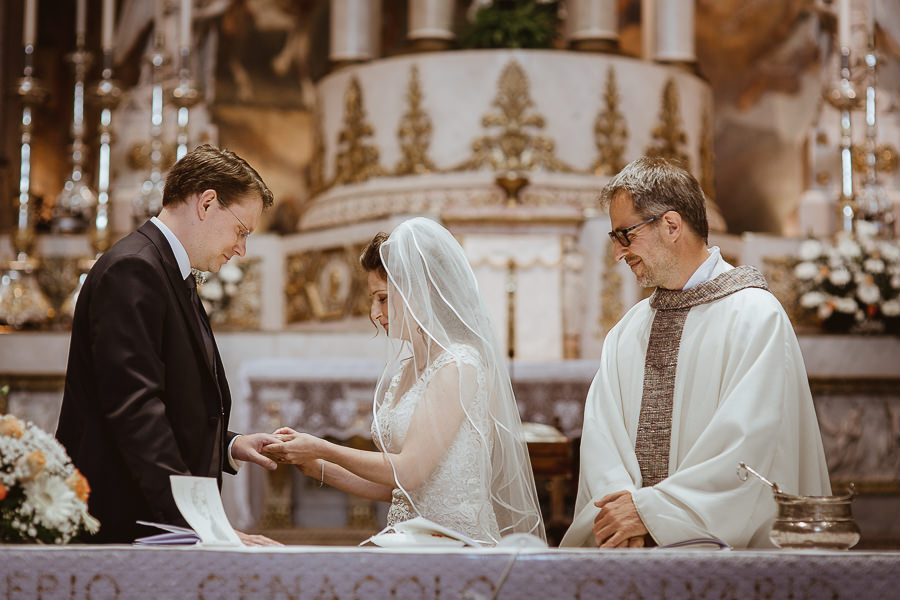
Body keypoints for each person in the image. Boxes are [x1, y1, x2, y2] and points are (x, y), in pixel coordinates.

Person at [560, 157, 831, 549]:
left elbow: (752, 447)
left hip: (724, 567)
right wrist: (622, 517)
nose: (618, 253)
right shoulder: (627, 332)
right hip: (628, 558)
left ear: (671, 225)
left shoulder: (755, 317)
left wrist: (651, 513)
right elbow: (602, 444)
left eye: (625, 235)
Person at [263, 217, 546, 545]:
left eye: (382, 298)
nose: (374, 313)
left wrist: (322, 446)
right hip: (410, 538)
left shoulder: (458, 365)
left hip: (454, 545)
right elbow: (397, 489)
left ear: (420, 289)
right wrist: (317, 466)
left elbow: (409, 471)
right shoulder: (406, 372)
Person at [56, 144, 282, 544]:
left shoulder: (169, 270)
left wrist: (230, 444)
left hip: (147, 519)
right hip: (124, 519)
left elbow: (175, 400)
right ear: (207, 203)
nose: (241, 248)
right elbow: (136, 411)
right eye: (241, 230)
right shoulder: (134, 269)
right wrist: (202, 527)